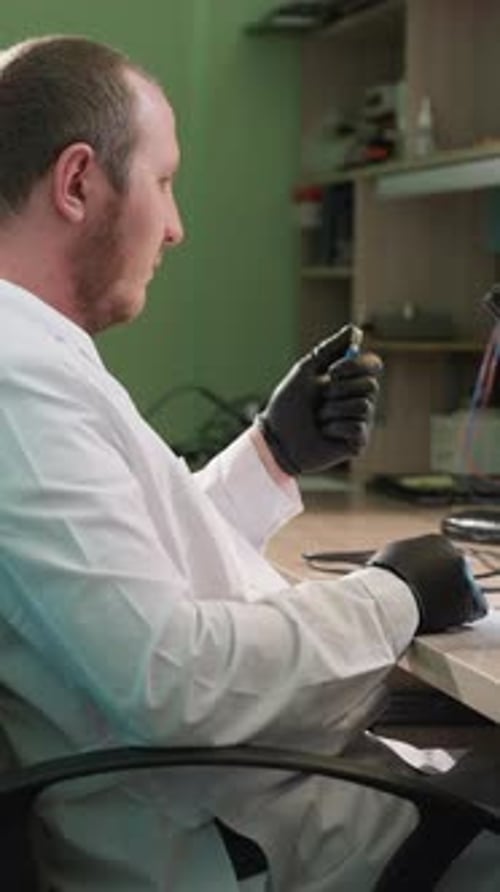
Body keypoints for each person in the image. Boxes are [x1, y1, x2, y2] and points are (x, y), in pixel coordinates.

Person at [0, 34, 496, 892]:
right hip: (226, 837)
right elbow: (170, 676)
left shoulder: (33, 357)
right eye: (164, 181)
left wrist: (271, 453)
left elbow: (122, 572)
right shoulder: (15, 379)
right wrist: (392, 593)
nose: (178, 224)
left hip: (216, 794)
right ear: (79, 182)